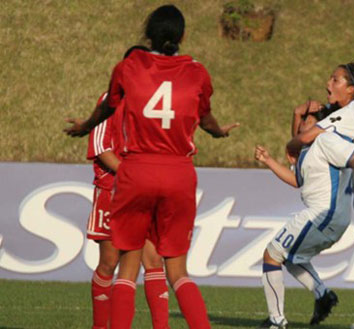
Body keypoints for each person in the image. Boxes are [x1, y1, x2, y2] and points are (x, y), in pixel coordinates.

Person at [65, 5, 239, 329]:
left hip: (138, 171)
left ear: (148, 34)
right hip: (179, 172)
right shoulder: (197, 71)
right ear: (183, 36)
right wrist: (218, 132)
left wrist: (84, 126)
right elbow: (206, 120)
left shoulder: (129, 66)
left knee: (127, 268)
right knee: (178, 271)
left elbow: (107, 107)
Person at [254, 109, 354, 329]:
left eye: (308, 121)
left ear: (321, 125)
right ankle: (323, 294)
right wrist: (268, 160)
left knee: (272, 255)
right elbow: (297, 179)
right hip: (331, 217)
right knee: (289, 258)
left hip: (323, 214)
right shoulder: (311, 149)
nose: (302, 125)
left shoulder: (326, 141)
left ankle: (276, 321)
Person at [86, 44, 170, 329]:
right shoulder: (109, 101)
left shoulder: (153, 106)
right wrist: (133, 174)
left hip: (144, 194)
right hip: (113, 191)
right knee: (110, 262)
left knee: (154, 259)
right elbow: (101, 148)